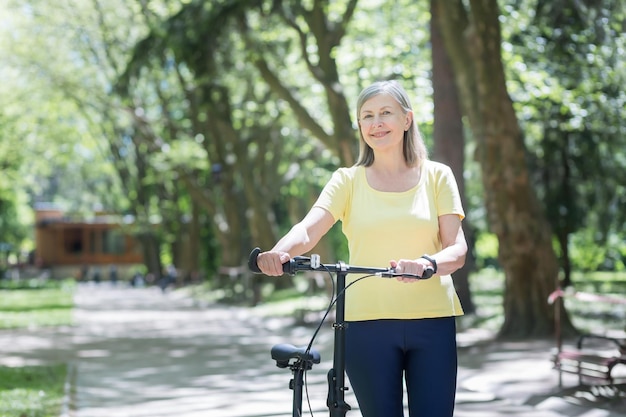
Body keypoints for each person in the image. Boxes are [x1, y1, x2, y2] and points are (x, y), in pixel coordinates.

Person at [255, 80, 467, 417]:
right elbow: (309, 228)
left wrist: (426, 264)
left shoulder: (437, 176)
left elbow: (457, 250)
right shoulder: (347, 180)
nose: (376, 123)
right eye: (367, 116)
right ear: (359, 125)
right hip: (366, 324)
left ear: (407, 119)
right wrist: (280, 252)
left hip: (432, 322)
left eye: (386, 113)